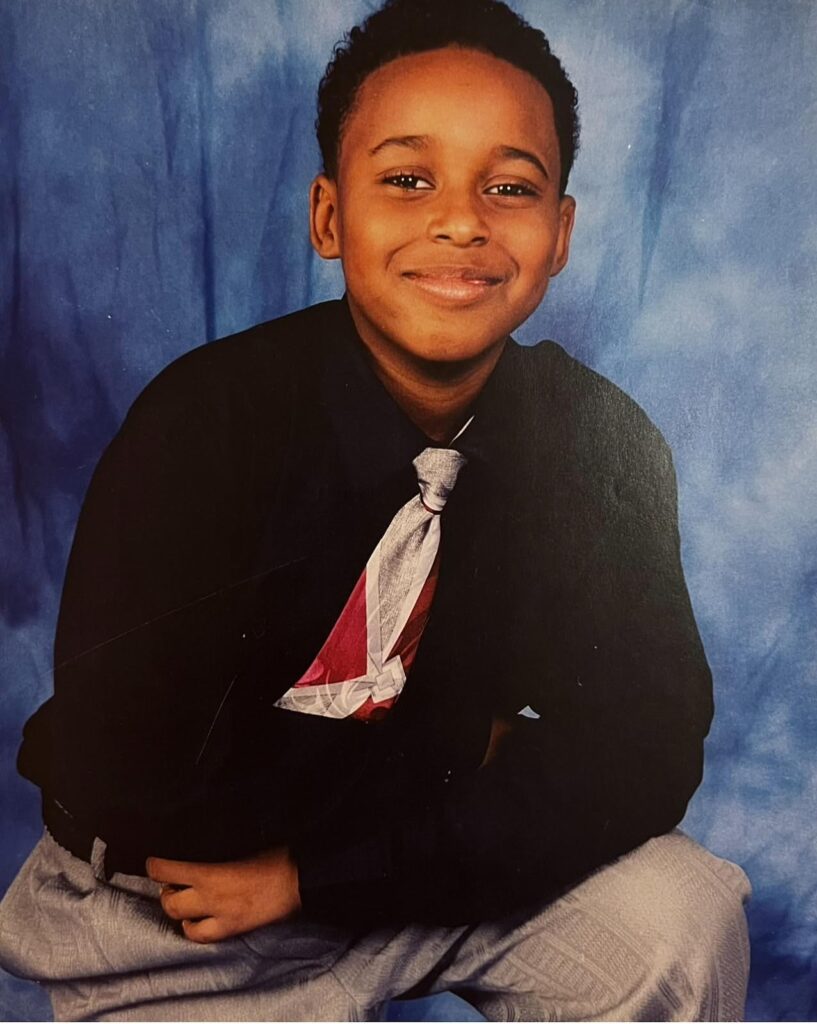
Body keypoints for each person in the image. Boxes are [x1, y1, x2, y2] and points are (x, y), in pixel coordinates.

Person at [0, 0, 751, 1019]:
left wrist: (326, 869)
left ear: (560, 232)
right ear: (327, 216)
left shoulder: (597, 443)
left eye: (510, 186)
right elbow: (146, 766)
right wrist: (469, 740)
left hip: (435, 880)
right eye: (407, 179)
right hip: (186, 909)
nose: (460, 220)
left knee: (678, 911)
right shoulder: (206, 421)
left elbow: (650, 747)